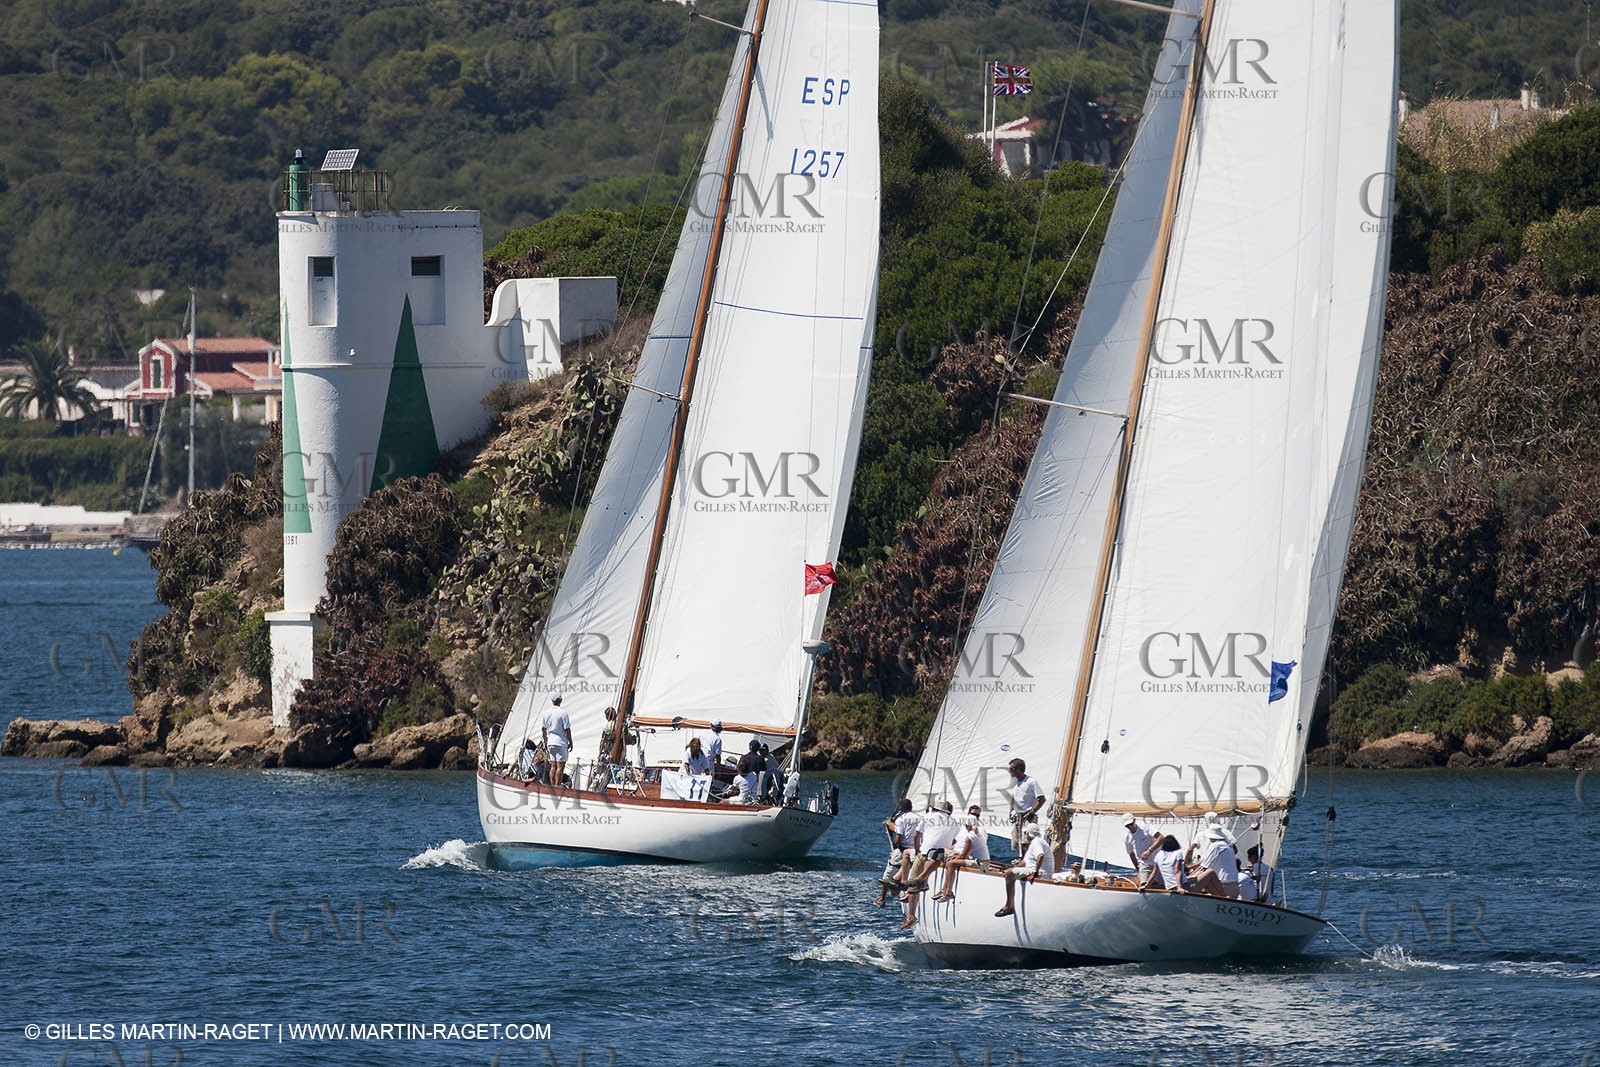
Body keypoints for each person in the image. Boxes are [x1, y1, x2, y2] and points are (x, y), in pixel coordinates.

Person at [900, 801, 958, 930]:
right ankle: (921, 882)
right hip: (940, 853)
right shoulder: (954, 822)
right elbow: (954, 840)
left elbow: (916, 835)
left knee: (913, 883)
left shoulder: (928, 816)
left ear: (934, 809)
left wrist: (917, 850)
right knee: (934, 858)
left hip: (924, 851)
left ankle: (911, 916)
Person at [995, 825, 1055, 917]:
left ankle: (1009, 906)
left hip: (1040, 872)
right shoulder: (1036, 843)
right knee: (1010, 871)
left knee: (1009, 874)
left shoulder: (1036, 842)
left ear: (1027, 833)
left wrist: (1035, 873)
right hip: (1034, 870)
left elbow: (1041, 856)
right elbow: (1024, 862)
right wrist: (1012, 867)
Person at [874, 799, 920, 907]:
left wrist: (895, 844)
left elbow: (899, 838)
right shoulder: (919, 818)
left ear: (901, 808)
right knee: (905, 871)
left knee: (888, 875)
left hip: (902, 850)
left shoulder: (901, 820)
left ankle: (882, 899)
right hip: (914, 851)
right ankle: (898, 889)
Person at [934, 814, 988, 902]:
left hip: (981, 864)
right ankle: (945, 890)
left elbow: (964, 855)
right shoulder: (976, 834)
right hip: (979, 861)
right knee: (950, 861)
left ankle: (948, 892)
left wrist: (955, 859)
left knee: (951, 863)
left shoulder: (971, 837)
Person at [1192, 820, 1242, 898]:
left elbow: (1203, 868)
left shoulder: (1215, 846)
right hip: (1234, 885)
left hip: (1224, 885)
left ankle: (1223, 897)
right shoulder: (1227, 846)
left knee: (1203, 881)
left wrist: (1189, 878)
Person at [1006, 758, 1046, 854]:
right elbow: (1013, 798)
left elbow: (1041, 799)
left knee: (1026, 842)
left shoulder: (1031, 782)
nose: (1010, 771)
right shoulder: (1015, 783)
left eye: (1011, 769)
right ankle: (1021, 860)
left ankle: (1027, 862)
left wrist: (1032, 812)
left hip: (1028, 816)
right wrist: (1011, 811)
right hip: (1017, 816)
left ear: (1018, 769)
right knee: (1016, 842)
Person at [540, 694, 573, 788]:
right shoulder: (563, 713)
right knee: (560, 767)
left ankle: (552, 785)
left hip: (550, 742)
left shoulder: (546, 713)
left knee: (553, 766)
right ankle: (557, 786)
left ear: (552, 701)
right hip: (561, 742)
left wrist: (545, 740)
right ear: (560, 701)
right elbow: (567, 729)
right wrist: (570, 741)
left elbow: (543, 729)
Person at [1123, 814, 1160, 883]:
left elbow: (1161, 838)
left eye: (1131, 824)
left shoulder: (1146, 827)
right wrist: (1138, 870)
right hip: (1145, 865)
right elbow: (1131, 854)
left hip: (1159, 863)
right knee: (1144, 886)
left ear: (1134, 821)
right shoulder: (1127, 837)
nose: (1130, 827)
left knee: (1168, 885)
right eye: (1127, 826)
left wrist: (1150, 850)